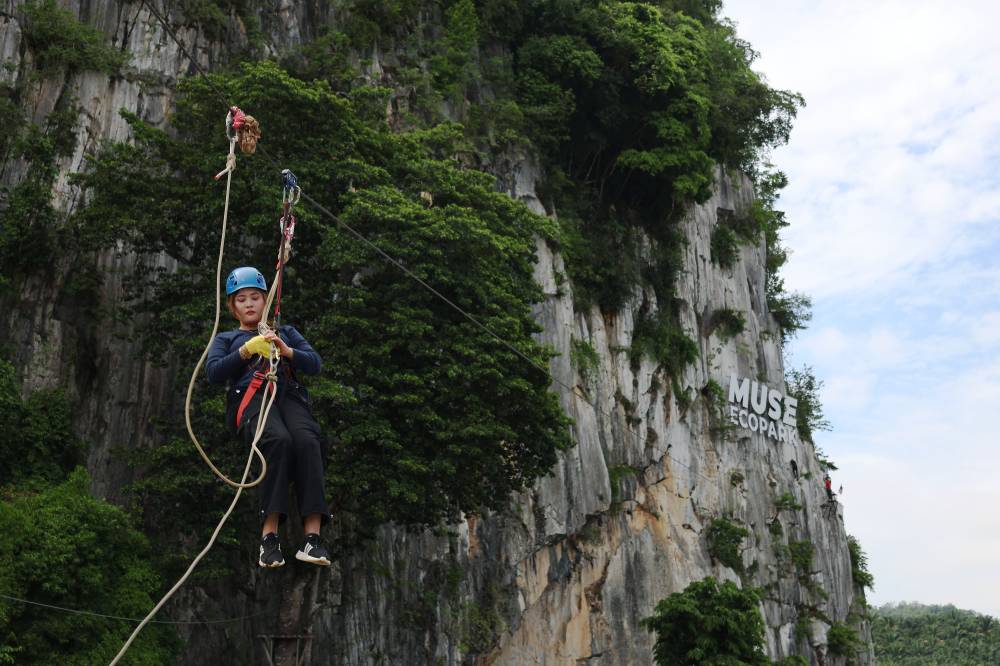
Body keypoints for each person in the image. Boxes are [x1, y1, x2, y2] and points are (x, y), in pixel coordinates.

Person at [206, 266, 332, 568]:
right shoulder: (227, 338)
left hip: (287, 394)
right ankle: (269, 537)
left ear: (266, 301)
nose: (249, 304)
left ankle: (312, 539)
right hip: (252, 397)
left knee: (307, 441)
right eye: (242, 299)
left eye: (255, 298)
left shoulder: (285, 332)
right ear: (233, 307)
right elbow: (213, 372)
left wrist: (286, 350)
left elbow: (314, 363)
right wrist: (246, 350)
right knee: (277, 440)